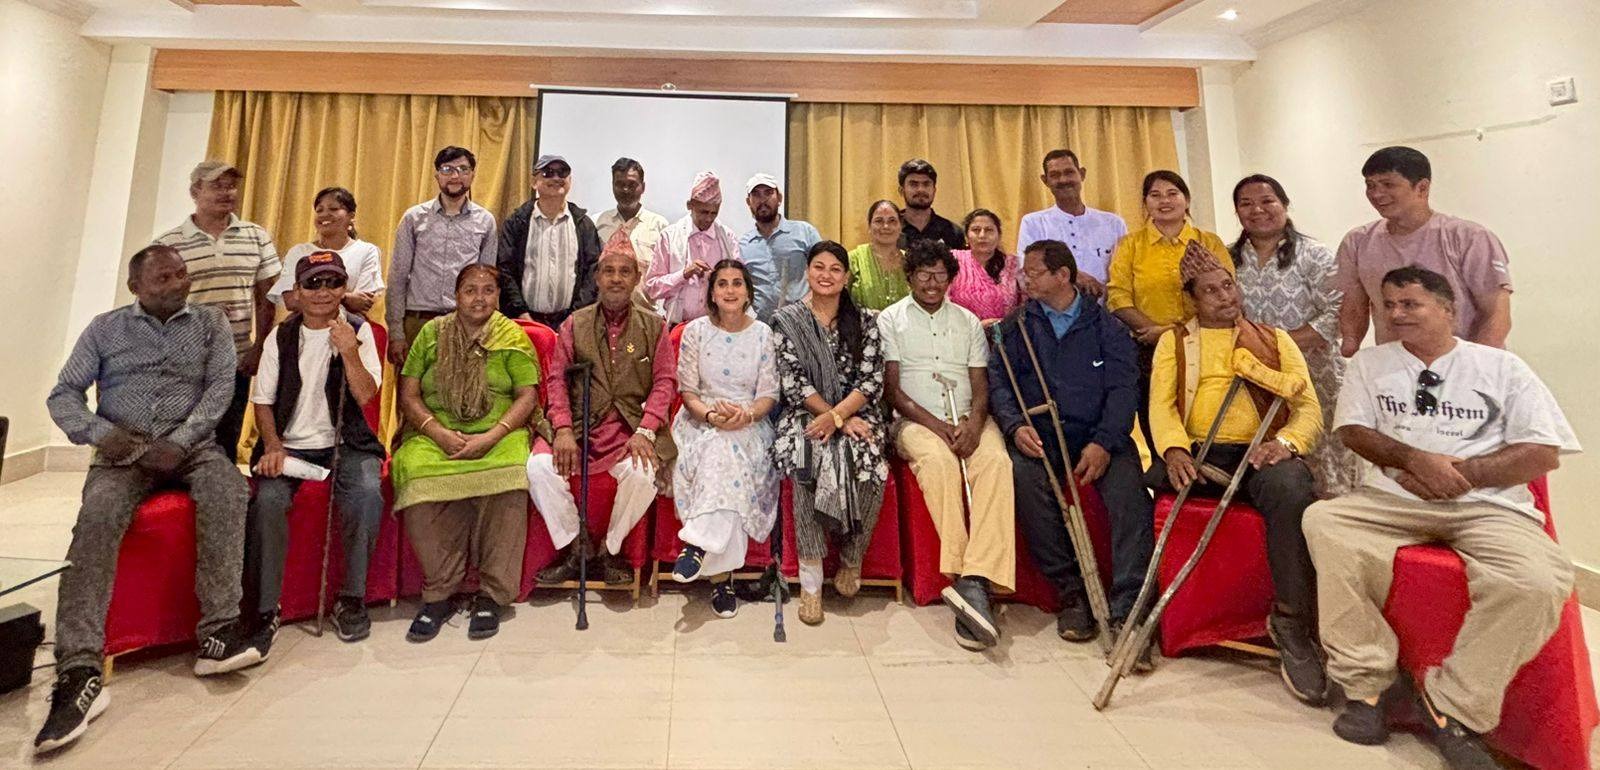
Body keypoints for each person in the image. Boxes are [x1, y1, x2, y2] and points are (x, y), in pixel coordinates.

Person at [1306, 266, 1577, 769]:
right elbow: (1353, 431)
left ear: (1448, 309)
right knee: (1325, 523)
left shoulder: (1501, 368)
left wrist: (1465, 475)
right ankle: (1367, 684)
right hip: (1393, 500)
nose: (1396, 314)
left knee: (1539, 581)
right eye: (1389, 305)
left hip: (1487, 506)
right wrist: (1414, 460)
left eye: (1410, 304)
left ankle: (1453, 705)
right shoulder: (1371, 364)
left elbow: (1543, 451)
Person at [36, 245, 259, 755]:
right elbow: (63, 394)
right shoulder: (105, 329)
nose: (178, 283)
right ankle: (79, 667)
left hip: (191, 447)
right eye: (164, 278)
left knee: (228, 489)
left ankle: (219, 630)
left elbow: (219, 391)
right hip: (122, 452)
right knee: (96, 519)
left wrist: (180, 441)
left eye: (181, 274)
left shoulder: (210, 323)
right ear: (135, 286)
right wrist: (102, 434)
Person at [1145, 247, 1326, 705]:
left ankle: (1291, 620)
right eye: (1210, 291)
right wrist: (1174, 449)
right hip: (1201, 455)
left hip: (1261, 454)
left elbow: (1308, 409)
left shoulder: (1275, 340)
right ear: (1193, 300)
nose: (1225, 296)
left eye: (1228, 285)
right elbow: (1161, 406)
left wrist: (1286, 444)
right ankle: (1140, 608)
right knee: (1143, 479)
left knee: (1292, 490)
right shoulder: (1174, 342)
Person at [989, 239, 1153, 648]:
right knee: (1023, 480)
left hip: (1100, 435)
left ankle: (1129, 607)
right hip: (1040, 434)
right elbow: (1000, 383)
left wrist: (1104, 442)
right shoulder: (1016, 326)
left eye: (1034, 273)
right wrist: (1014, 426)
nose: (1025, 280)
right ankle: (1072, 593)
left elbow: (1124, 390)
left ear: (1063, 275)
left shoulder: (1108, 327)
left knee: (1130, 494)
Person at [243, 252, 385, 649]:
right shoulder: (280, 336)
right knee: (267, 502)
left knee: (367, 494)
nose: (323, 292)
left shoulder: (359, 330)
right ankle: (265, 608)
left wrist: (350, 351)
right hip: (290, 446)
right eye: (313, 283)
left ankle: (352, 598)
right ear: (298, 291)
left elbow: (366, 395)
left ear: (344, 288)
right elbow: (263, 401)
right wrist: (273, 446)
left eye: (333, 282)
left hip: (346, 442)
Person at [881, 239, 1014, 651]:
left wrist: (974, 423)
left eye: (940, 274)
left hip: (968, 418)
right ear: (910, 277)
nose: (932, 282)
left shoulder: (968, 321)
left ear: (951, 279)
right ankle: (963, 576)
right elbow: (893, 390)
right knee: (939, 463)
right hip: (915, 422)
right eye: (923, 274)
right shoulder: (891, 320)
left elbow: (981, 383)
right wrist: (938, 425)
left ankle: (976, 578)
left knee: (996, 462)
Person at [393, 264, 538, 643]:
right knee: (415, 474)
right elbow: (409, 393)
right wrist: (437, 432)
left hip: (499, 434)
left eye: (488, 290)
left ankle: (492, 594)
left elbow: (527, 396)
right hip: (435, 434)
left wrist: (491, 436)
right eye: (470, 290)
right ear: (456, 296)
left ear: (498, 297)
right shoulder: (431, 333)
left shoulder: (512, 336)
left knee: (512, 477)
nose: (479, 298)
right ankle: (439, 593)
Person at [528, 236, 678, 587]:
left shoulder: (654, 326)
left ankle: (610, 551)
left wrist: (646, 430)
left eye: (624, 272)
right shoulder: (574, 324)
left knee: (643, 474)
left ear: (636, 278)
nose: (616, 279)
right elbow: (556, 381)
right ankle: (576, 545)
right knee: (538, 468)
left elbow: (665, 382)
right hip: (579, 424)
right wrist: (563, 429)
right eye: (608, 271)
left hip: (630, 426)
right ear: (597, 277)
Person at [770, 241, 890, 626]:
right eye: (819, 267)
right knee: (807, 460)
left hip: (857, 413)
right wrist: (830, 416)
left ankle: (852, 560)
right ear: (807, 272)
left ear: (847, 277)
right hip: (805, 413)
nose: (826, 275)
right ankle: (810, 583)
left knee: (872, 462)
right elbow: (793, 381)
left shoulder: (866, 321)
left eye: (835, 269)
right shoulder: (787, 321)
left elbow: (871, 380)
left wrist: (840, 416)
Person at [1231, 174, 1359, 498]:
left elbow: (1337, 312)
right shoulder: (1229, 258)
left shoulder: (1314, 255)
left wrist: (1280, 347)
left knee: (1328, 465)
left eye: (1267, 201)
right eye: (1246, 204)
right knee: (1279, 468)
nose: (1257, 210)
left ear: (1285, 205)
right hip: (1257, 379)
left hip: (1316, 374)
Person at [668, 260, 780, 619]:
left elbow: (768, 394)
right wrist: (712, 417)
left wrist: (746, 416)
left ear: (748, 292)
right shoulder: (695, 331)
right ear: (712, 294)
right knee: (720, 448)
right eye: (722, 284)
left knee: (727, 450)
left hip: (751, 421)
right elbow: (688, 392)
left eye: (737, 283)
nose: (730, 290)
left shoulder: (763, 333)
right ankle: (722, 582)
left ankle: (697, 545)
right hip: (700, 420)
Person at [151, 160, 281, 459]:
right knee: (180, 440)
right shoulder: (168, 244)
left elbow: (266, 298)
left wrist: (259, 347)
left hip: (236, 359)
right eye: (217, 186)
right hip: (184, 361)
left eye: (231, 186)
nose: (227, 192)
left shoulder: (256, 236)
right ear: (195, 191)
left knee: (225, 441)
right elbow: (156, 305)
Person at [1336, 146, 1513, 355]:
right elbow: (1353, 307)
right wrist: (1351, 347)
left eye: (1388, 184)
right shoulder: (1357, 242)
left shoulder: (1469, 238)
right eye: (1370, 185)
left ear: (1422, 188)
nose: (1376, 194)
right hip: (1397, 365)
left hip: (1463, 361)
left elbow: (1496, 313)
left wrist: (1475, 364)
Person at [1107, 170, 1234, 454]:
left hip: (1207, 344)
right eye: (1155, 195)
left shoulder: (1209, 242)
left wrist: (1169, 332)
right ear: (1145, 203)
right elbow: (1118, 297)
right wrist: (1153, 332)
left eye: (1172, 194)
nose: (1164, 201)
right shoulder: (1130, 245)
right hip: (1148, 348)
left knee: (1207, 422)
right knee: (1158, 424)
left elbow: (1225, 295)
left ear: (1186, 200)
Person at [386, 146, 499, 367]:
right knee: (412, 387)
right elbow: (398, 277)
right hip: (417, 322)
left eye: (463, 169)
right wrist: (396, 332)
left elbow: (487, 284)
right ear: (437, 175)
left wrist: (485, 328)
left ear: (472, 175)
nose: (455, 176)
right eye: (447, 169)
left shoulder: (485, 221)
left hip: (465, 323)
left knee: (463, 388)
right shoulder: (413, 218)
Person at [497, 154, 604, 328]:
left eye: (562, 172)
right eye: (548, 172)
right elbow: (505, 270)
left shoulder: (583, 224)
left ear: (570, 180)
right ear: (534, 182)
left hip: (572, 322)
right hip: (524, 321)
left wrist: (575, 317)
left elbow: (593, 271)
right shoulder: (517, 222)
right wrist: (521, 313)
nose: (556, 178)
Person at [1017, 148, 1129, 298]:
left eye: (1069, 172)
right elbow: (1028, 273)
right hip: (1052, 309)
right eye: (1055, 175)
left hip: (1106, 308)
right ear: (1045, 181)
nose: (1063, 180)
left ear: (1082, 174)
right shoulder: (1034, 223)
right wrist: (1075, 276)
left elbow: (1125, 274)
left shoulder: (1114, 224)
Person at [266, 186, 384, 317]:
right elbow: (292, 301)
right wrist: (345, 298)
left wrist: (310, 298)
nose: (324, 214)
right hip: (303, 326)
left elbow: (361, 303)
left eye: (333, 209)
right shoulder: (298, 252)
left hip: (350, 325)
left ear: (351, 216)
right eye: (319, 210)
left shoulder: (366, 251)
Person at [644, 171, 742, 324]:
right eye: (703, 212)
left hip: (719, 327)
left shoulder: (727, 239)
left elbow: (741, 285)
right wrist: (683, 275)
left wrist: (718, 279)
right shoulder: (669, 237)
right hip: (678, 326)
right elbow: (652, 289)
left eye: (714, 213)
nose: (708, 218)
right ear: (690, 205)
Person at [739, 173, 822, 320]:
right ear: (748, 202)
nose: (762, 200)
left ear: (779, 198)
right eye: (756, 194)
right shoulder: (743, 245)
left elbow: (823, 272)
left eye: (768, 193)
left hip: (803, 320)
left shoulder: (804, 232)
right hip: (763, 326)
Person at [595, 156, 670, 277]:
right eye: (620, 184)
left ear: (643, 187)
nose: (625, 190)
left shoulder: (660, 226)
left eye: (632, 184)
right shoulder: (597, 223)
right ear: (612, 186)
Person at [948, 208, 1022, 325]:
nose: (982, 235)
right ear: (966, 236)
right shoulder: (953, 259)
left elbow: (1025, 304)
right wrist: (977, 327)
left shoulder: (1013, 264)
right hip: (962, 331)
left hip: (1007, 332)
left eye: (989, 230)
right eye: (976, 230)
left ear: (999, 236)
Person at [847, 199, 909, 311]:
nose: (886, 226)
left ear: (900, 227)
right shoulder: (853, 259)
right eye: (879, 221)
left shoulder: (910, 261)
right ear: (869, 226)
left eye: (892, 221)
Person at [897, 158, 966, 250]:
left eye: (926, 184)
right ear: (901, 190)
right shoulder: (890, 229)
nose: (920, 189)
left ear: (934, 190)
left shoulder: (953, 232)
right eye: (914, 184)